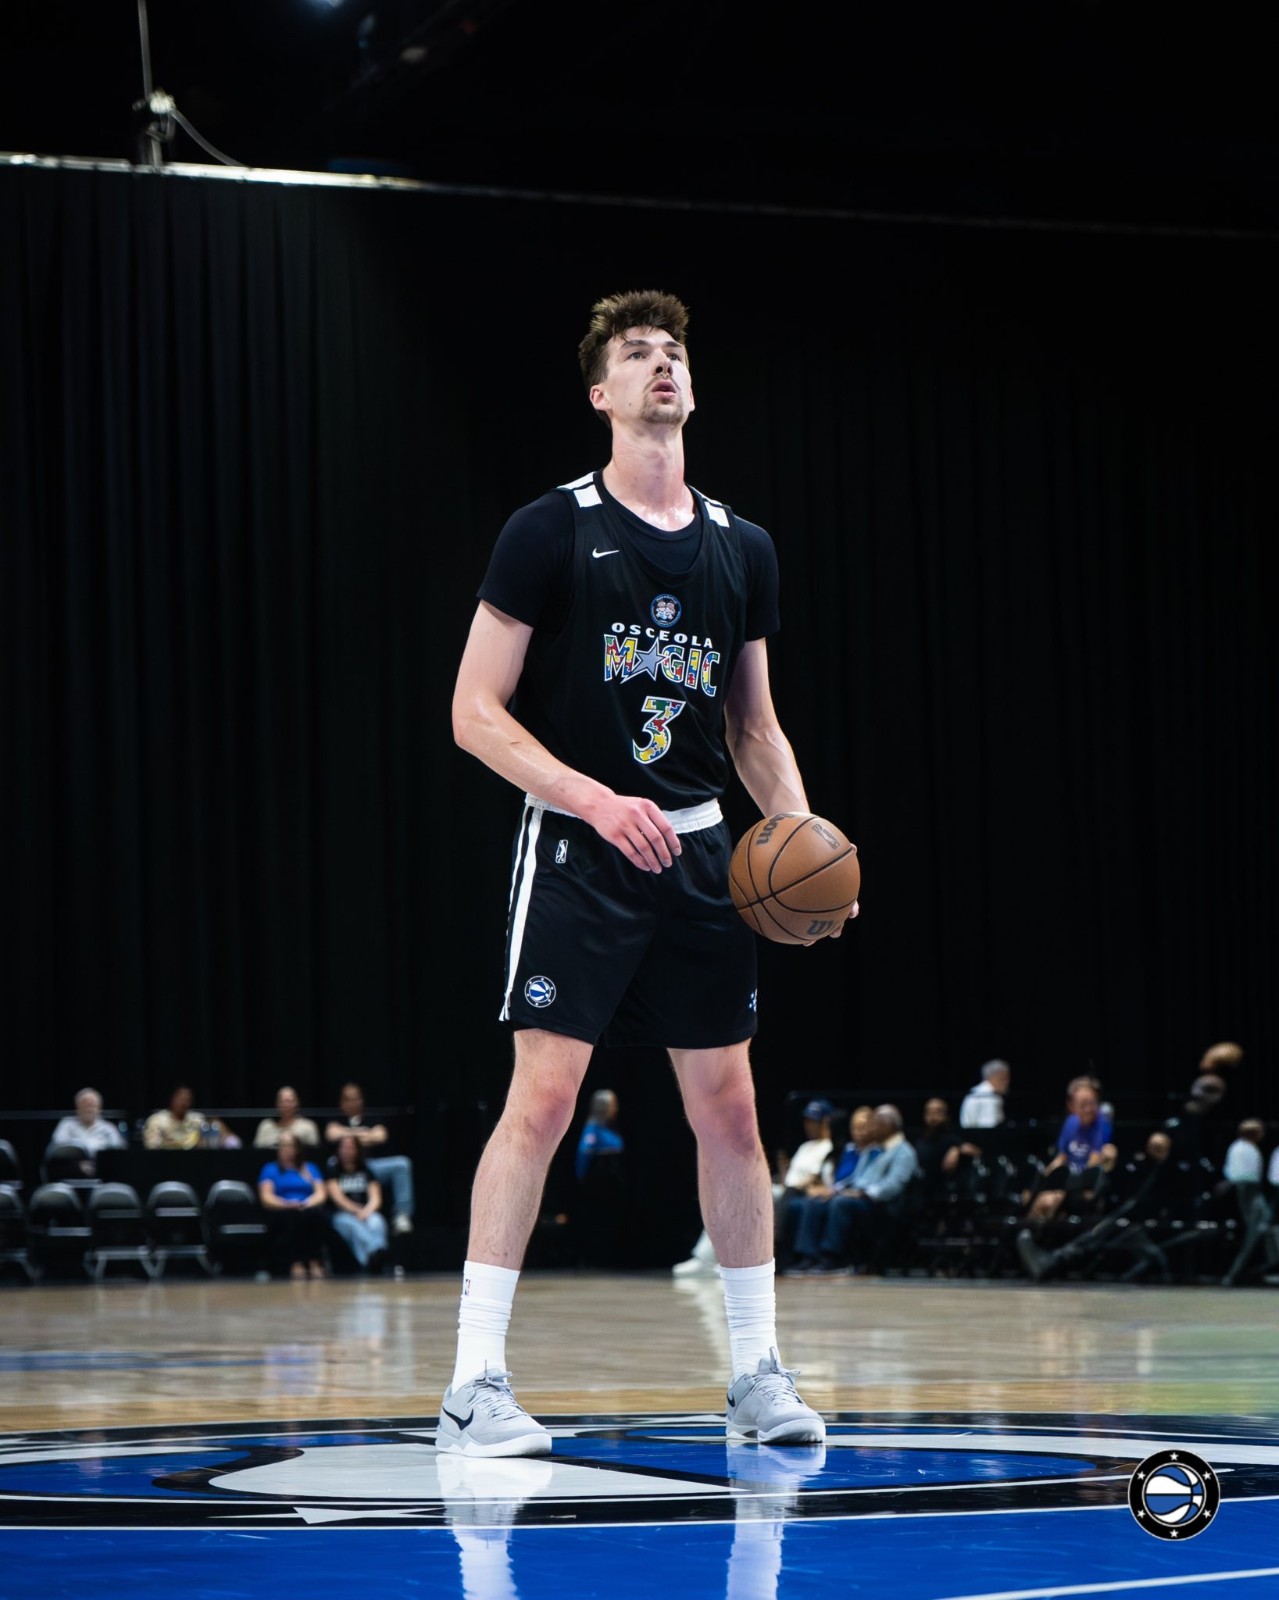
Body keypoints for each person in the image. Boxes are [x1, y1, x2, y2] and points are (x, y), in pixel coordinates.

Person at [442, 289, 852, 1456]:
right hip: (581, 845)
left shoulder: (742, 546)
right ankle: (474, 1383)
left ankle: (758, 1375)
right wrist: (590, 796)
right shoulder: (548, 529)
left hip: (703, 851)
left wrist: (810, 844)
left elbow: (753, 728)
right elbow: (473, 711)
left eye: (673, 350)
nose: (662, 363)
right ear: (600, 393)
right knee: (543, 1101)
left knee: (730, 1109)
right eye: (636, 352)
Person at [324, 1082, 416, 1236]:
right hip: (345, 1168)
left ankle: (402, 1215)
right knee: (330, 1163)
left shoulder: (372, 1117)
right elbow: (331, 1134)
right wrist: (364, 1134)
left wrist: (348, 1135)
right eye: (348, 1099)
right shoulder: (336, 1118)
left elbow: (381, 1136)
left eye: (356, 1098)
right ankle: (343, 1211)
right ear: (342, 1103)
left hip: (370, 1166)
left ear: (362, 1100)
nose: (353, 1102)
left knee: (402, 1164)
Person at [1024, 1081, 1117, 1226]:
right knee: (1035, 1197)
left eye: (1092, 1103)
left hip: (1085, 1182)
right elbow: (1061, 1157)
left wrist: (1064, 1187)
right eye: (1083, 1104)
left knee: (1049, 1201)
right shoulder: (1070, 1122)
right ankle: (1029, 1232)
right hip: (1066, 1177)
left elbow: (1093, 1162)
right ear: (1072, 1106)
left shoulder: (1102, 1125)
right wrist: (1040, 1184)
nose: (1088, 1109)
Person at [258, 1131, 328, 1279]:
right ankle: (295, 1262)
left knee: (316, 1215)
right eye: (282, 1145)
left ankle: (314, 1261)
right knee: (291, 1217)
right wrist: (286, 1204)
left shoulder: (310, 1168)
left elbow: (321, 1194)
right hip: (282, 1209)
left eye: (289, 1145)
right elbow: (266, 1197)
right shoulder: (270, 1169)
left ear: (297, 1148)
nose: (286, 1149)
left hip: (306, 1207)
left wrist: (306, 1203)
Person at [326, 1135, 390, 1273]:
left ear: (357, 1150)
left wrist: (367, 1211)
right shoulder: (334, 1171)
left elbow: (376, 1197)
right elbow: (337, 1198)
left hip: (366, 1211)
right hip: (342, 1214)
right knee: (355, 1227)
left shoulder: (366, 1170)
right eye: (344, 1147)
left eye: (351, 1147)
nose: (347, 1151)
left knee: (377, 1222)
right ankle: (376, 1253)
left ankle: (371, 1260)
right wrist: (356, 1210)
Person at [46, 1089, 125, 1176]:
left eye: (92, 1105)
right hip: (71, 1172)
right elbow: (57, 1150)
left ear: (99, 1108)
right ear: (77, 1108)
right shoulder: (66, 1125)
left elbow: (119, 1151)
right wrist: (78, 1164)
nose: (88, 1109)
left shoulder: (109, 1128)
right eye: (85, 1105)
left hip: (103, 1171)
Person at [142, 1086, 226, 1150]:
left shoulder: (196, 1119)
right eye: (181, 1099)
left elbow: (214, 1137)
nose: (184, 1103)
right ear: (172, 1099)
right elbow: (151, 1146)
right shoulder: (156, 1120)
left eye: (187, 1100)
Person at [253, 1086, 321, 1152]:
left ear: (297, 1103)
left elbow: (315, 1153)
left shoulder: (308, 1126)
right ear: (277, 1104)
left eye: (290, 1101)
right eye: (282, 1101)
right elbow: (257, 1152)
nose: (286, 1105)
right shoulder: (266, 1126)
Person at [958, 1060, 1010, 1130]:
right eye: (1004, 1078)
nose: (1007, 1082)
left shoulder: (996, 1095)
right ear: (994, 1076)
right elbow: (967, 1120)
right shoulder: (978, 1094)